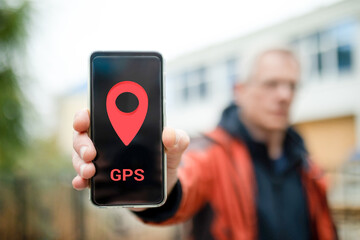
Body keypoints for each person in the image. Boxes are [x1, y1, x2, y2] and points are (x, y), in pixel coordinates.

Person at [71, 48, 338, 240]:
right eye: (272, 84)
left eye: (292, 85)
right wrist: (158, 187)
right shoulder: (213, 153)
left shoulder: (306, 165)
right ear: (239, 91)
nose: (284, 95)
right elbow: (189, 177)